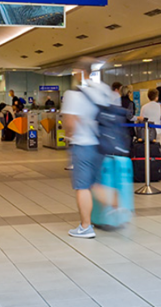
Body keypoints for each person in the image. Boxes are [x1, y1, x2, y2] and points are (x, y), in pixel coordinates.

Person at [63, 58, 117, 238]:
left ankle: (85, 227)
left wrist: (69, 134)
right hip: (101, 144)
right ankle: (117, 207)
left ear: (80, 72)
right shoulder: (103, 89)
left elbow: (69, 122)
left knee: (83, 186)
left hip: (83, 145)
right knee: (97, 183)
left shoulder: (73, 94)